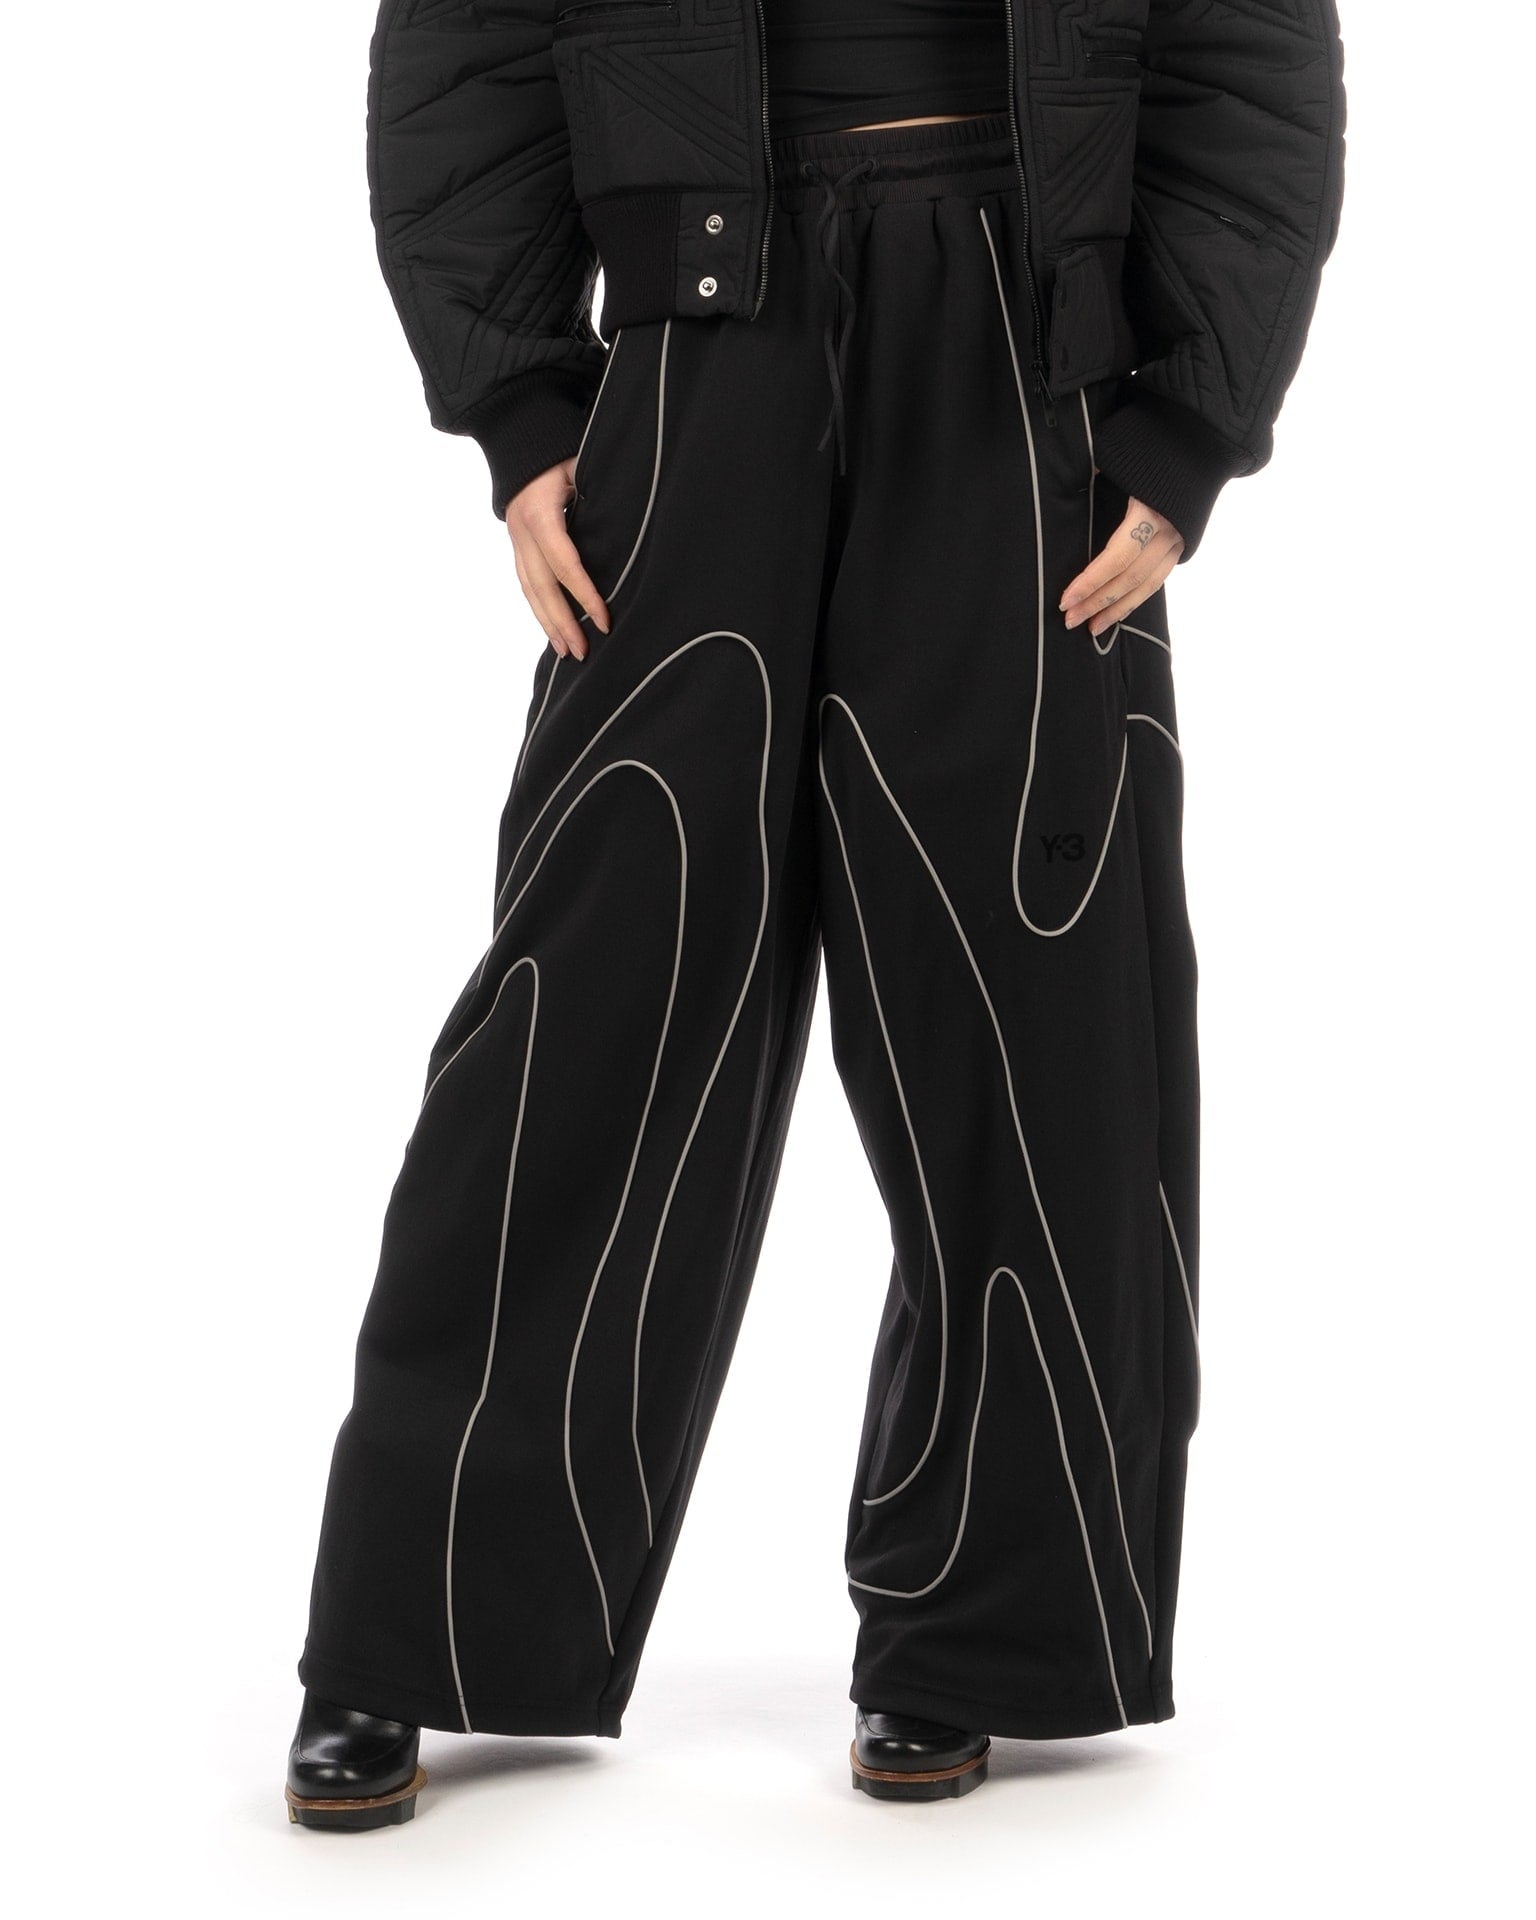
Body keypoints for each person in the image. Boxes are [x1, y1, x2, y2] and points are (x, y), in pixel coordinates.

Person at [285, 0, 1347, 1827]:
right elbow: (463, 34)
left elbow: (1248, 42)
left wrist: (1192, 417)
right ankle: (423, 1626)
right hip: (693, 352)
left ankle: (984, 1640)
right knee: (588, 997)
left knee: (1032, 999)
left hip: (1027, 356)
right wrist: (520, 399)